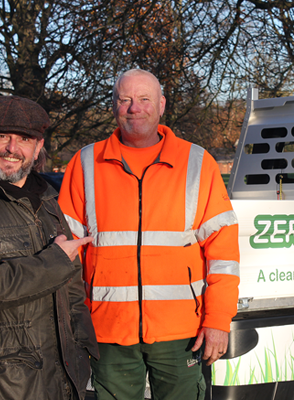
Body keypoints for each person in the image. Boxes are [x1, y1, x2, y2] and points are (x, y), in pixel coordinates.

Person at [58, 69, 240, 400]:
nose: (134, 108)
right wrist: (76, 323)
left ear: (161, 105)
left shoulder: (197, 162)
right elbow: (66, 255)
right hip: (108, 331)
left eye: (144, 99)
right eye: (125, 100)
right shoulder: (85, 163)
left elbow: (223, 255)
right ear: (114, 106)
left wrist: (218, 321)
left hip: (182, 333)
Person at [0, 96, 99, 400]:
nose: (12, 148)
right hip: (8, 378)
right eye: (2, 136)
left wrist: (83, 343)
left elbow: (71, 287)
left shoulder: (50, 202)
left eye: (24, 139)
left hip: (65, 372)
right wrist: (54, 260)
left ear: (37, 147)